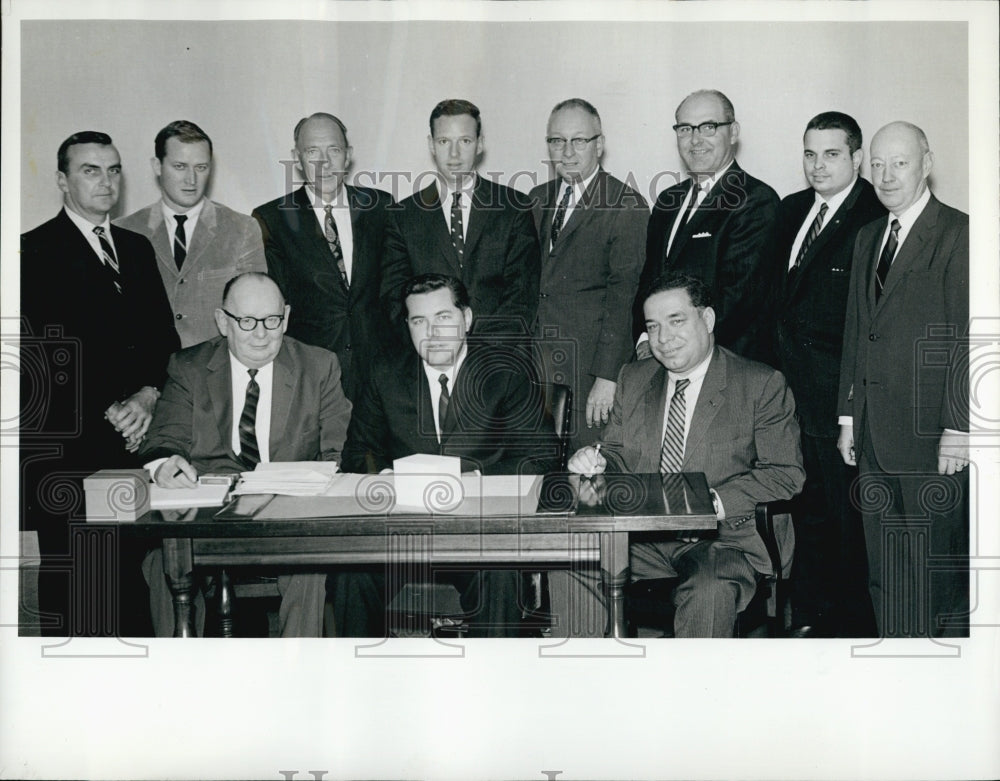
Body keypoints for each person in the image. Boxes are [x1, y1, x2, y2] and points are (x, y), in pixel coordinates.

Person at [569, 273, 804, 637]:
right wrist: (597, 461)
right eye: (653, 326)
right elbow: (615, 454)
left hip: (723, 540)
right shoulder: (633, 378)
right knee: (572, 557)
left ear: (707, 320)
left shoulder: (759, 384)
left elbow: (786, 474)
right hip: (643, 538)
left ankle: (695, 691)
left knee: (709, 586)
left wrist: (712, 502)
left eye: (676, 321)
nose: (663, 338)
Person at [335, 274, 559, 637]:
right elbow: (358, 452)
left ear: (466, 319)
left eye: (443, 317)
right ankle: (363, 686)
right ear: (407, 326)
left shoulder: (507, 372)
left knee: (498, 574)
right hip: (405, 535)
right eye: (419, 321)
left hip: (479, 536)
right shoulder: (385, 374)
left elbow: (542, 455)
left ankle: (493, 684)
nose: (432, 332)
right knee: (351, 573)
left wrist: (476, 480)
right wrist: (383, 477)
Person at [20, 131, 180, 635]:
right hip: (66, 451)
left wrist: (148, 396)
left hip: (131, 445)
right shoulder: (33, 251)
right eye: (91, 170)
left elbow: (164, 341)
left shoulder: (135, 249)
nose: (106, 181)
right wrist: (115, 410)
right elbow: (39, 361)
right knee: (76, 587)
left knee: (127, 580)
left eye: (113, 170)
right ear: (62, 181)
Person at [139, 272, 352, 637]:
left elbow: (338, 450)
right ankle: (176, 676)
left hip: (288, 518)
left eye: (271, 321)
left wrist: (317, 480)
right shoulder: (189, 367)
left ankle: (298, 669)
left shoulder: (318, 366)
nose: (261, 334)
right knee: (162, 560)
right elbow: (164, 440)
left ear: (285, 317)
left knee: (310, 564)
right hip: (209, 520)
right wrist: (165, 465)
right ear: (223, 321)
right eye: (247, 321)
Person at [837, 121, 969, 638]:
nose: (887, 176)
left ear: (927, 163)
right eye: (877, 164)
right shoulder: (869, 236)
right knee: (886, 568)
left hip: (932, 436)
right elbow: (856, 331)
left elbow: (969, 336)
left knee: (936, 571)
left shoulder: (960, 233)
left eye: (900, 163)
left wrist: (959, 428)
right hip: (871, 433)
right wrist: (847, 415)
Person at [774, 112, 886, 637]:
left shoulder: (873, 215)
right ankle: (811, 619)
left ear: (857, 157)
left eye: (832, 154)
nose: (818, 165)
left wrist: (848, 406)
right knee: (806, 513)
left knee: (846, 522)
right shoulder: (792, 209)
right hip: (788, 398)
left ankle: (848, 629)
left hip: (837, 400)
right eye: (809, 154)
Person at [529, 98, 648, 451]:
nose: (566, 152)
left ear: (600, 144)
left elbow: (624, 297)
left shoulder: (625, 204)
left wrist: (608, 376)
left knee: (587, 477)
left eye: (578, 140)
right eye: (556, 141)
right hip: (535, 369)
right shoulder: (536, 199)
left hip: (588, 374)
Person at [252, 112, 395, 401]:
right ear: (297, 158)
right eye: (312, 151)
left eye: (334, 150)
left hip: (378, 374)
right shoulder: (272, 219)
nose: (324, 163)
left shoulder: (381, 206)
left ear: (348, 155)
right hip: (310, 379)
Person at [636, 89, 780, 363]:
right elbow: (649, 281)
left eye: (708, 127)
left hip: (724, 365)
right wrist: (645, 339)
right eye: (685, 129)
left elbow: (738, 300)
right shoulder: (668, 200)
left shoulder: (757, 200)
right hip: (661, 358)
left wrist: (669, 345)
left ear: (733, 132)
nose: (695, 139)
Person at [382, 99, 540, 336]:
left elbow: (522, 296)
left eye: (464, 141)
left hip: (496, 359)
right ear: (431, 145)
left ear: (479, 144)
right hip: (427, 358)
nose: (454, 153)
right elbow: (394, 299)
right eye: (444, 141)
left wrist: (483, 355)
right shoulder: (402, 216)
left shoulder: (514, 207)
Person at [116, 120, 266, 347]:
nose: (191, 179)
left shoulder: (242, 228)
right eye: (180, 166)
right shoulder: (124, 230)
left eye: (201, 167)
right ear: (157, 166)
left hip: (216, 373)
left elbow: (255, 314)